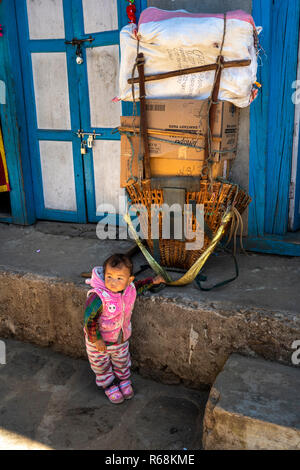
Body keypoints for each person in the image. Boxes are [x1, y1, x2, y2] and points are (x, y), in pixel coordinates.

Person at [83, 253, 165, 404]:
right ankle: (109, 384)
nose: (113, 282)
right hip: (99, 344)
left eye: (119, 278)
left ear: (129, 280)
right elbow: (89, 320)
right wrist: (96, 340)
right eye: (109, 276)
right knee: (101, 365)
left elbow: (138, 287)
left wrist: (153, 281)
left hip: (121, 339)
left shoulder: (130, 289)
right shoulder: (98, 297)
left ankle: (122, 379)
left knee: (122, 361)